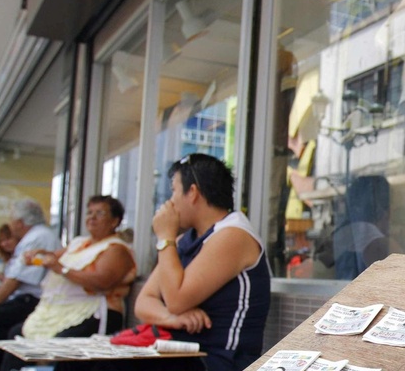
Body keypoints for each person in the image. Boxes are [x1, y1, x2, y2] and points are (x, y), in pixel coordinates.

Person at [86, 154, 270, 371]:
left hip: (220, 360)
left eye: (173, 190)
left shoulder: (233, 234)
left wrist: (165, 238)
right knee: (88, 365)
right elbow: (144, 302)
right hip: (182, 351)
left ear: (192, 192)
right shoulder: (184, 239)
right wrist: (172, 318)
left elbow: (176, 299)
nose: (169, 202)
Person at [0, 195, 137, 371]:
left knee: (62, 344)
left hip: (96, 311)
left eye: (100, 213)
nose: (92, 218)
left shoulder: (117, 249)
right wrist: (38, 255)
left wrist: (60, 268)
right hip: (60, 310)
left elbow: (102, 282)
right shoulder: (80, 242)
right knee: (17, 334)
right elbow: (53, 257)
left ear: (114, 221)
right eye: (89, 212)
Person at [0, 199, 61, 370]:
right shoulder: (37, 235)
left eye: (12, 219)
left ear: (20, 223)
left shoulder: (38, 237)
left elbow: (15, 280)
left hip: (32, 300)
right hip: (27, 299)